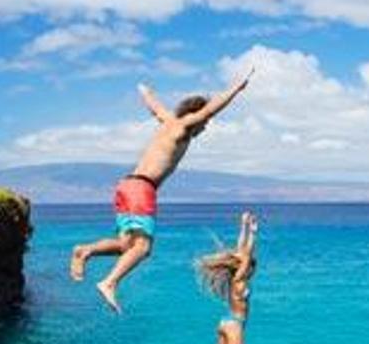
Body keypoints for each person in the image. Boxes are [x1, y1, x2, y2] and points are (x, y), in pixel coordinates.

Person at [69, 70, 254, 312]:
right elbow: (210, 109)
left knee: (126, 245)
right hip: (143, 189)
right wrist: (236, 89)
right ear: (194, 116)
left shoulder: (168, 121)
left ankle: (86, 250)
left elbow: (155, 107)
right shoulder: (183, 127)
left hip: (127, 186)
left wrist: (145, 92)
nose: (204, 127)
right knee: (143, 248)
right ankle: (109, 283)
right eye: (204, 124)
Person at [180, 211, 258, 344]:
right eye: (251, 267)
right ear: (245, 269)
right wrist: (251, 231)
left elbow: (242, 252)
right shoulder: (239, 281)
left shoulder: (234, 281)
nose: (252, 269)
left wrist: (246, 228)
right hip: (235, 325)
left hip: (225, 322)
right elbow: (245, 255)